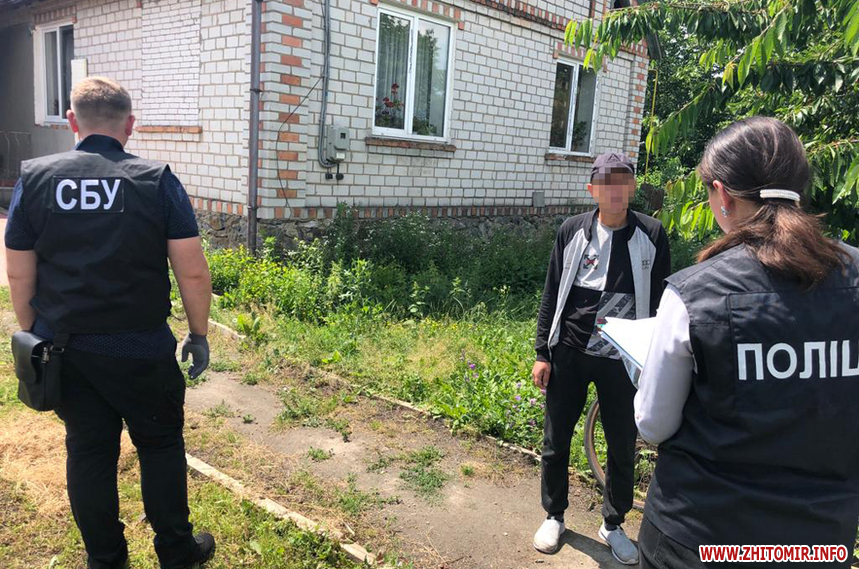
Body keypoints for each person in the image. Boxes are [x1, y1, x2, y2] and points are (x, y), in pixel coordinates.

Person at [5, 77, 215, 569]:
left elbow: (17, 271)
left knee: (88, 452)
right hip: (143, 349)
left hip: (68, 350)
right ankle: (177, 553)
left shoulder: (35, 179)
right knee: (160, 446)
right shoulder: (156, 180)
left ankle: (105, 560)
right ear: (130, 125)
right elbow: (192, 270)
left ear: (72, 122)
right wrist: (199, 333)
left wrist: (35, 335)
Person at [634, 117, 859, 568]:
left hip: (700, 537)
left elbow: (653, 424)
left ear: (722, 195)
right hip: (817, 541)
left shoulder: (694, 292)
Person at [532, 152, 671, 564]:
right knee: (556, 439)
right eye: (606, 184)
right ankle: (554, 515)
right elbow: (552, 292)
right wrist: (543, 353)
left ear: (632, 188)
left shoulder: (651, 233)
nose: (615, 192)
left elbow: (662, 301)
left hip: (623, 359)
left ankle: (613, 523)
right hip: (571, 352)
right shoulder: (572, 230)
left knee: (622, 444)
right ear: (592, 189)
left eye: (623, 183)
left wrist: (656, 357)